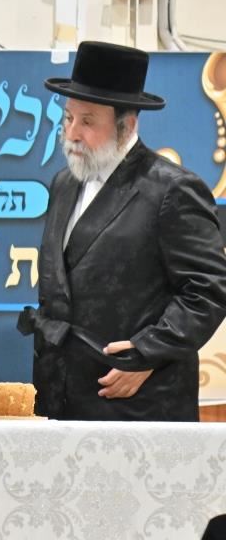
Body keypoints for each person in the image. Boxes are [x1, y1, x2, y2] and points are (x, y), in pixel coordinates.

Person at [18, 40, 226, 420]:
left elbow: (208, 291)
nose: (72, 133)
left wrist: (148, 353)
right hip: (59, 399)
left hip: (136, 405)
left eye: (87, 122)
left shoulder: (171, 189)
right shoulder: (63, 184)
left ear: (126, 125)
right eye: (68, 118)